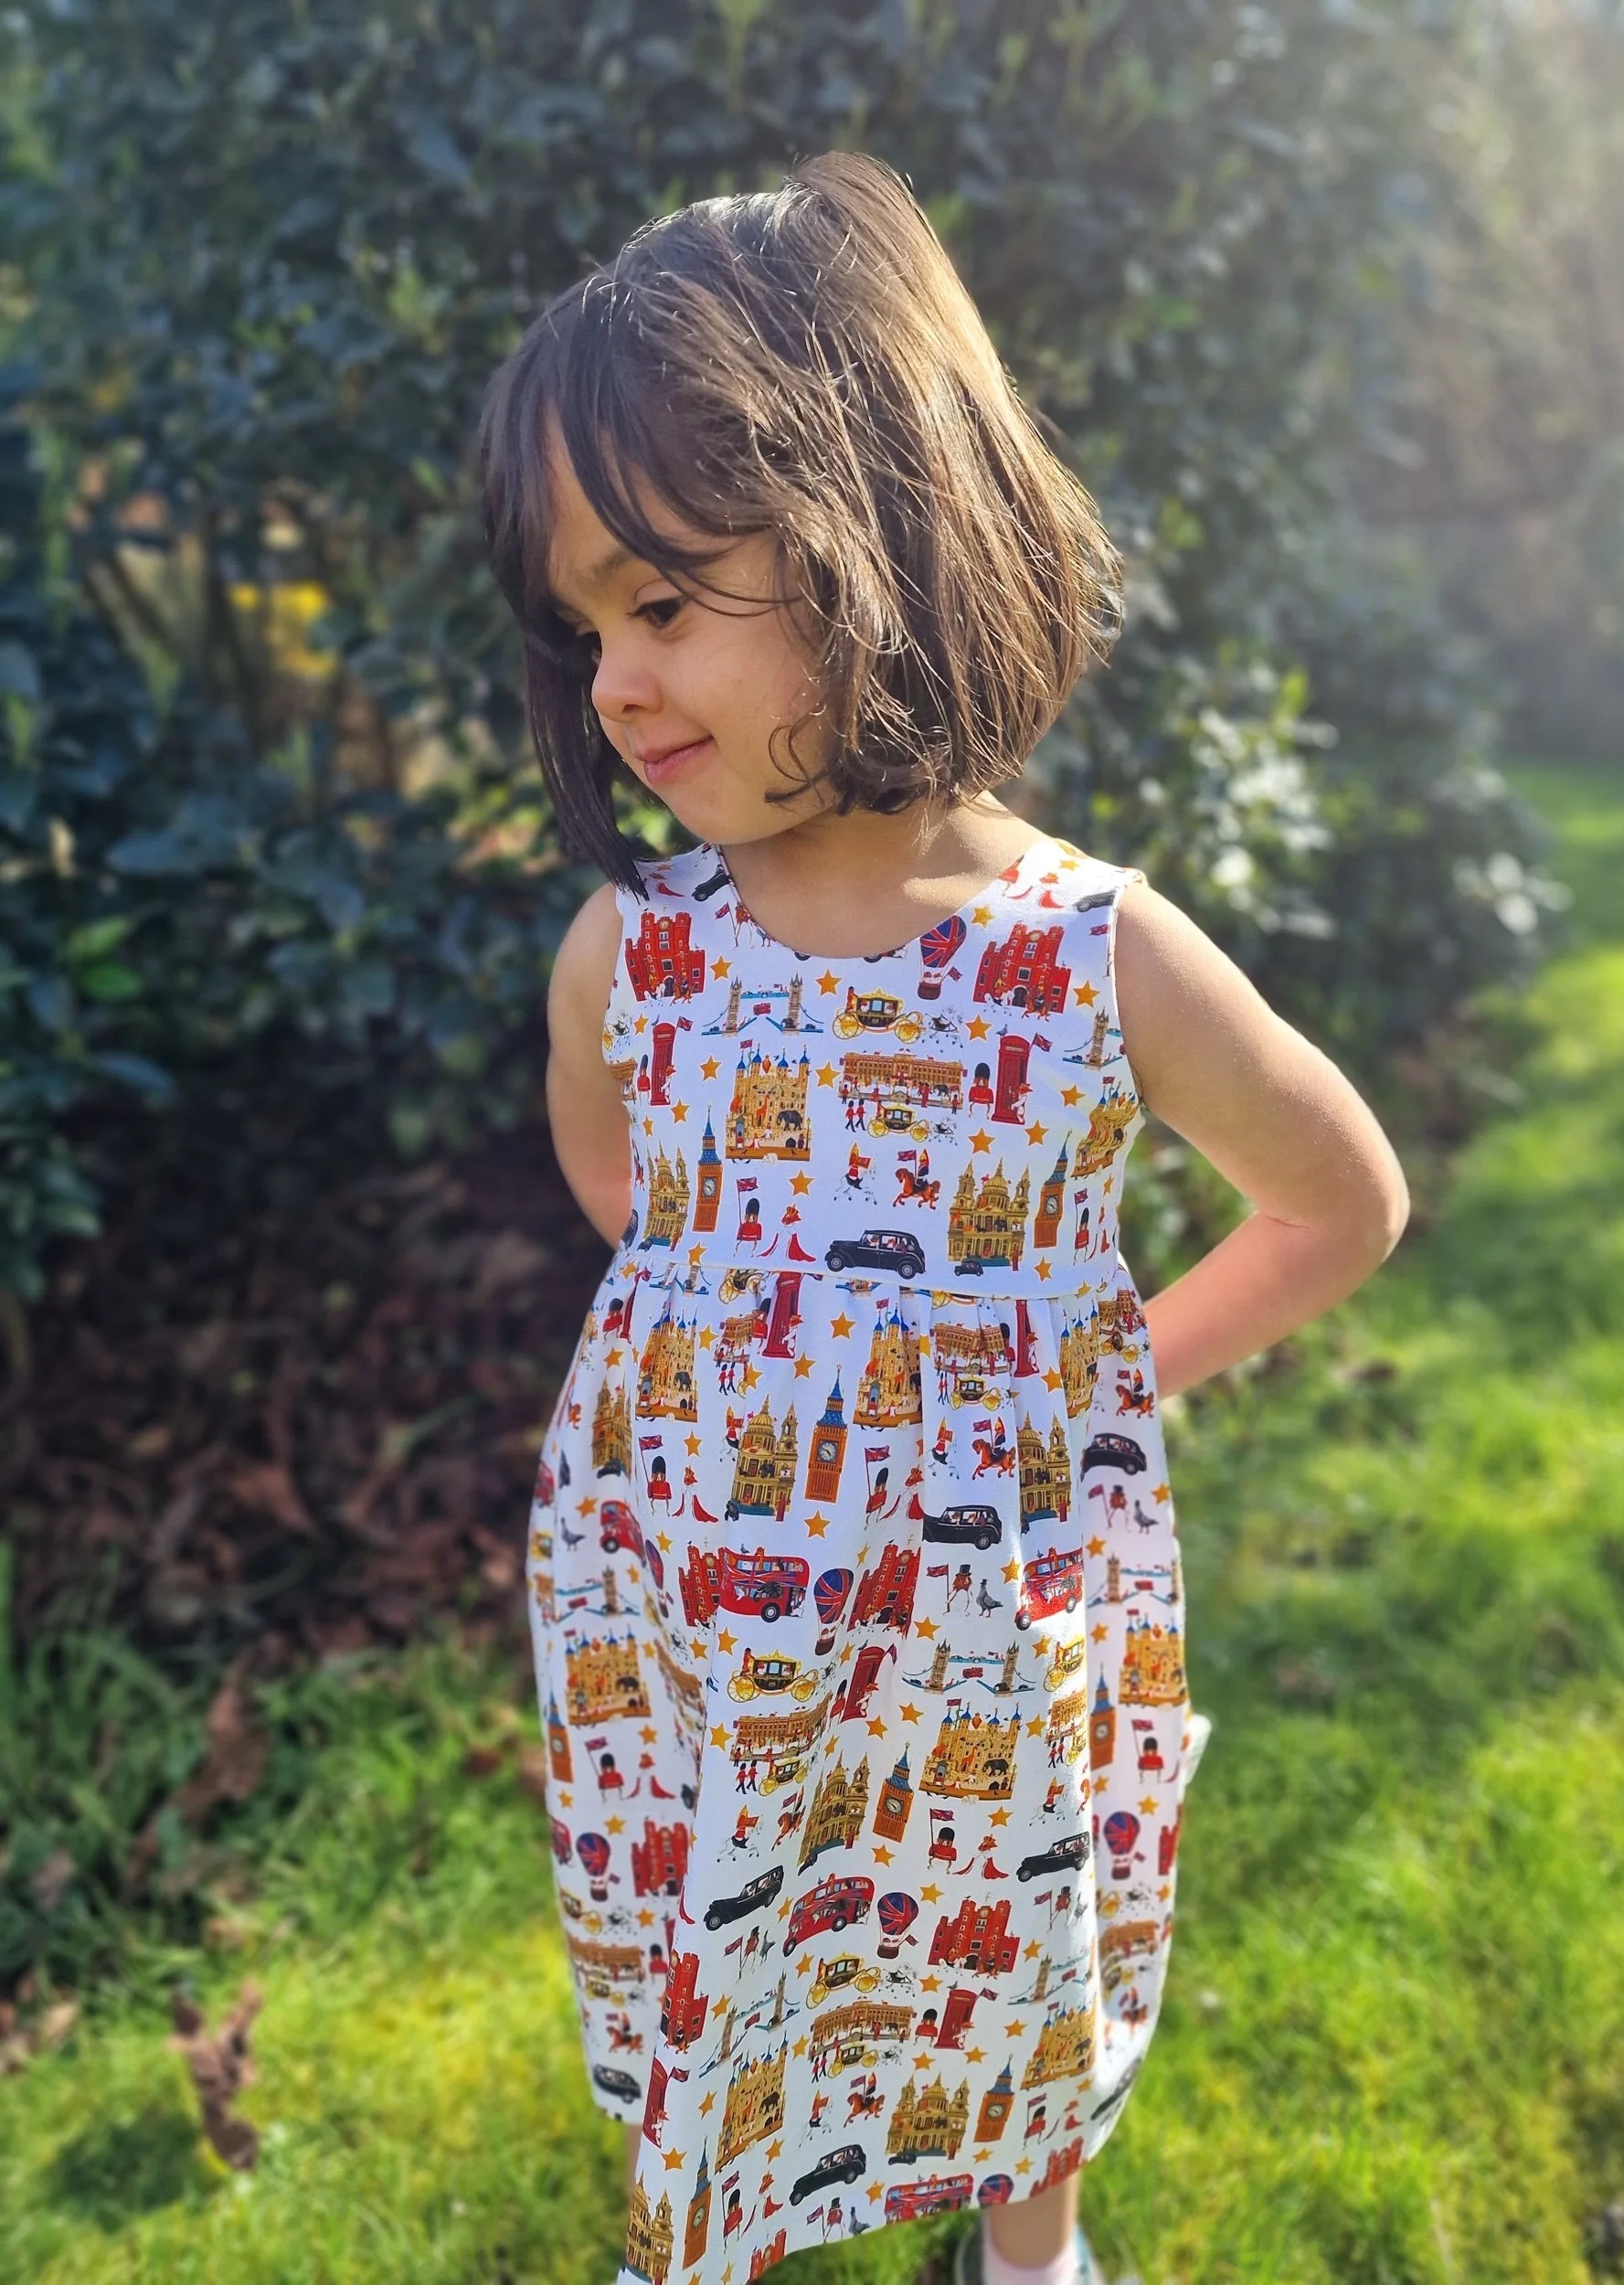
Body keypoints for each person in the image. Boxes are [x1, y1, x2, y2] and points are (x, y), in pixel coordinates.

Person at [478, 152, 1408, 2285]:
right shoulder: (633, 956)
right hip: (693, 1617)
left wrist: (1094, 1369)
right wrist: (717, 1335)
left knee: (1012, 1911)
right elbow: (620, 1180)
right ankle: (707, 2219)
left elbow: (1335, 1197)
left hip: (993, 1612)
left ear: (874, 525)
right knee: (718, 1927)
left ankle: (1028, 2242)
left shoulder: (1091, 957)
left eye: (666, 595)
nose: (617, 679)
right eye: (582, 621)